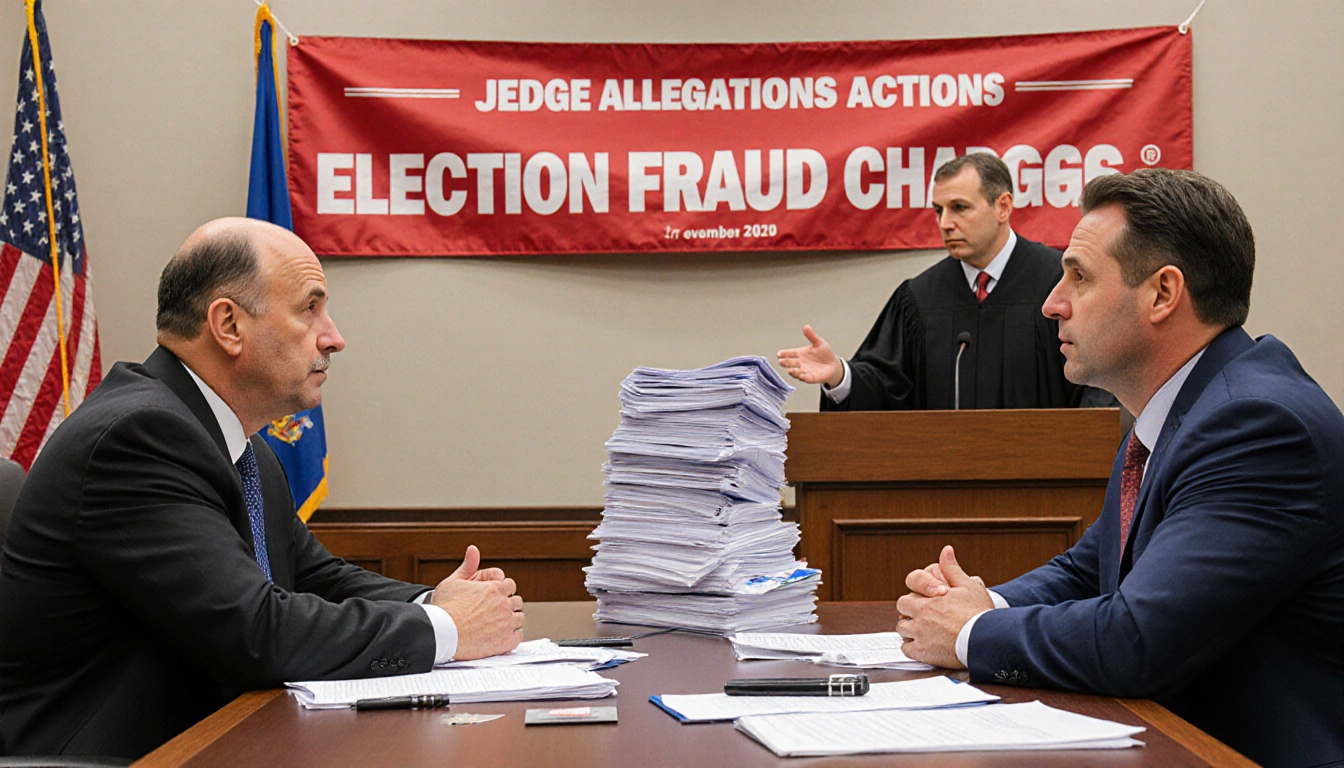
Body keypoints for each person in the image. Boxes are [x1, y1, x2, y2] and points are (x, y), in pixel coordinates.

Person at [0, 218, 526, 759]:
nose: (334, 337)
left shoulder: (234, 441)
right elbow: (255, 632)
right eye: (309, 309)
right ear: (228, 325)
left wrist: (437, 599)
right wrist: (445, 627)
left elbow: (313, 577)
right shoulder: (138, 439)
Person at [894, 169, 1344, 768]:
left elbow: (1139, 639)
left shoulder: (1255, 426)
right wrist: (980, 605)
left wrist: (971, 633)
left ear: (1162, 294)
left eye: (1078, 276)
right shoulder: (1183, 408)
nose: (1052, 303)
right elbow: (1090, 571)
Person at [778, 152, 1110, 410]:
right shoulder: (920, 299)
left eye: (959, 208)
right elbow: (888, 388)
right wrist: (840, 375)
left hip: (1050, 488)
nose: (945, 223)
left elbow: (1100, 379)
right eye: (939, 211)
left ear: (1003, 207)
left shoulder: (1060, 282)